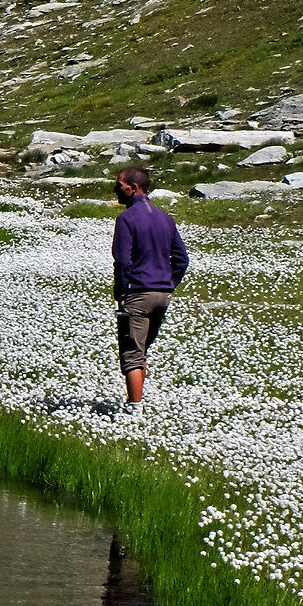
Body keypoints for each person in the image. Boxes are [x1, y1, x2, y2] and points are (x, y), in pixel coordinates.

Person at [110, 165, 188, 417]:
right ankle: (136, 402)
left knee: (131, 352)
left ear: (133, 188)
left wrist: (121, 293)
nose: (116, 191)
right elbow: (182, 260)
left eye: (119, 186)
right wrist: (168, 283)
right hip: (162, 295)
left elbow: (122, 260)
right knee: (143, 349)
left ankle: (134, 409)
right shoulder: (165, 217)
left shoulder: (127, 219)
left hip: (137, 294)